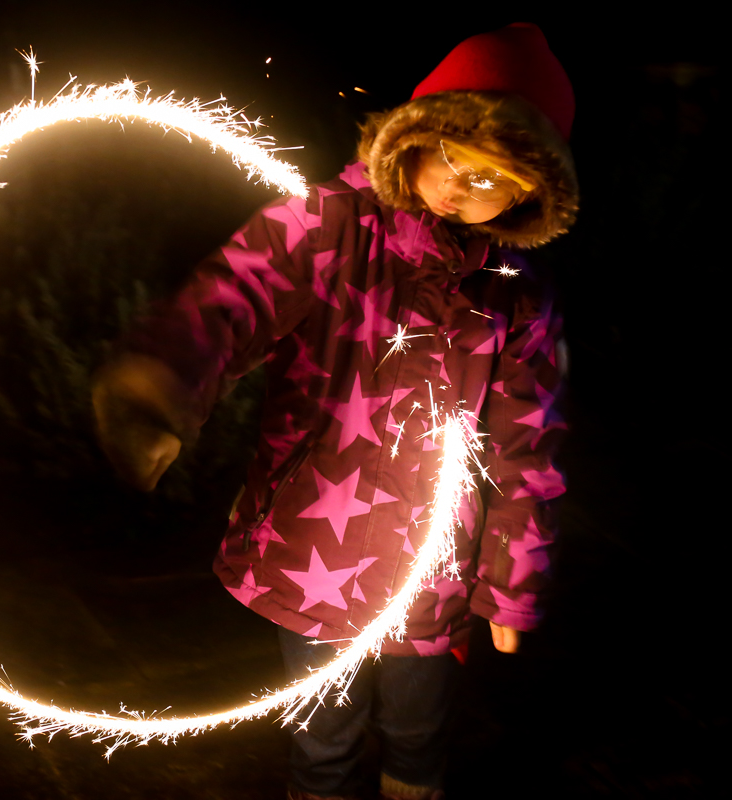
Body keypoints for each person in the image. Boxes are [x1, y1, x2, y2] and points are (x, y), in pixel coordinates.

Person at [92, 22, 576, 800]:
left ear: (529, 193)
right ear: (413, 135)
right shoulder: (330, 225)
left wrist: (513, 582)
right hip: (311, 554)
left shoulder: (517, 294)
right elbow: (235, 296)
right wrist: (162, 385)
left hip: (435, 576)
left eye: (493, 176)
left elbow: (531, 445)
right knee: (322, 739)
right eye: (450, 153)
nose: (459, 183)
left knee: (418, 739)